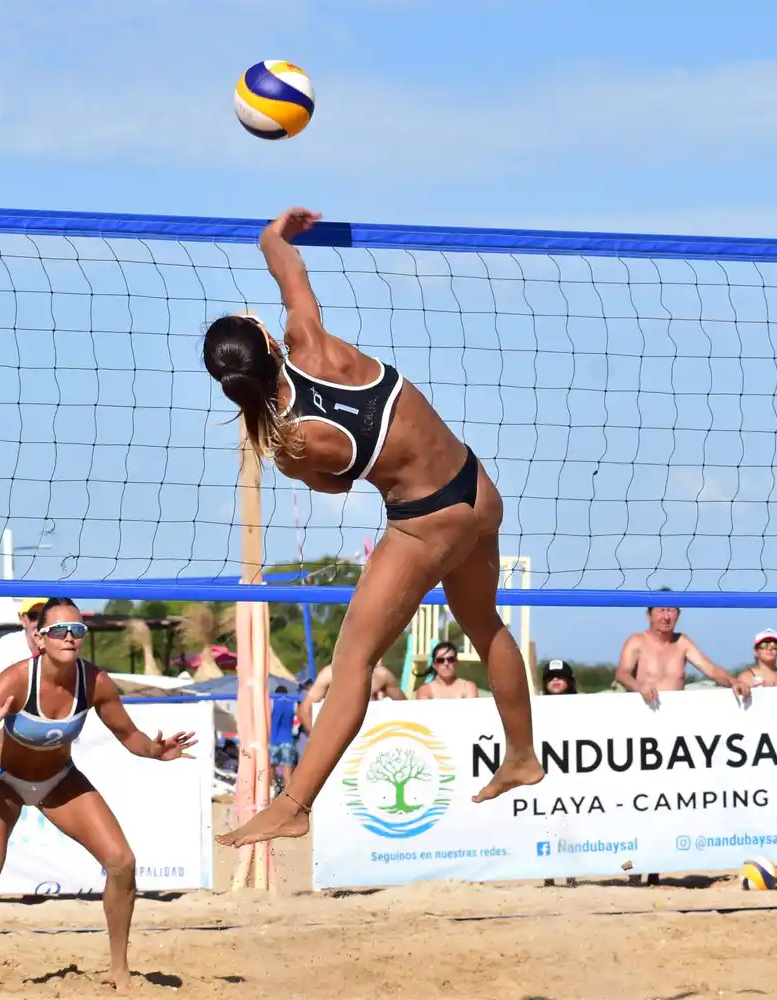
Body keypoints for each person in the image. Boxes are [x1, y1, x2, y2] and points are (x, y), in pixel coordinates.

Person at [202, 207, 541, 847]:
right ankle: (521, 754)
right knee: (486, 623)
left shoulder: (293, 442)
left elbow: (337, 483)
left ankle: (295, 802)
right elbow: (289, 269)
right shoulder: (310, 341)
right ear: (270, 344)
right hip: (478, 489)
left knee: (353, 660)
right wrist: (272, 233)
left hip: (427, 524)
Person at [0, 599, 198, 994]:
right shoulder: (17, 680)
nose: (70, 636)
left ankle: (119, 970)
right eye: (59, 630)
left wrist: (156, 751)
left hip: (58, 780)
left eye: (77, 630)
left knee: (122, 862)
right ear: (40, 638)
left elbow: (130, 737)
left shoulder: (95, 682)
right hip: (3, 780)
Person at [615, 597, 753, 704]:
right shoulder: (637, 641)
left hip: (676, 713)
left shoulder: (682, 642)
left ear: (678, 615)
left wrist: (733, 682)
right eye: (661, 610)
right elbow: (622, 674)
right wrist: (639, 687)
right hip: (644, 710)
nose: (666, 617)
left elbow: (712, 670)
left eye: (671, 610)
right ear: (649, 615)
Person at [0, 597, 47, 684]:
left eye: (44, 616)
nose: (39, 622)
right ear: (22, 620)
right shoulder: (7, 645)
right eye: (33, 616)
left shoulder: (60, 642)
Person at [416, 641, 480, 699]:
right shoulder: (425, 691)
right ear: (434, 665)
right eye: (440, 660)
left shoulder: (468, 687)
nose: (446, 663)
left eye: (450, 659)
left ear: (456, 662)